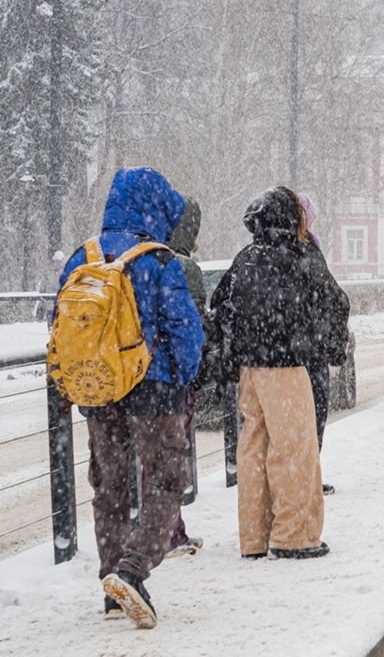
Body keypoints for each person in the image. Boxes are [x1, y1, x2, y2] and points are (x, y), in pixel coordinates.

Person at [56, 167, 204, 628]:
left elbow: (61, 326)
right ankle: (132, 571)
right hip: (154, 389)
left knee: (111, 487)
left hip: (98, 387)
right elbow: (186, 332)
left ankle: (110, 582)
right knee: (165, 480)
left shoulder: (84, 255)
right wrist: (187, 376)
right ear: (157, 208)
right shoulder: (158, 260)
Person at [206, 186, 348, 560]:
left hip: (250, 369)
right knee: (295, 450)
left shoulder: (245, 258)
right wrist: (331, 348)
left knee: (253, 449)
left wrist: (232, 355)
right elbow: (336, 302)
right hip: (287, 367)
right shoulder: (300, 257)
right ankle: (293, 535)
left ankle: (253, 537)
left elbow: (220, 306)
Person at [294, 191, 349, 496]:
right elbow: (336, 300)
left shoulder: (265, 250)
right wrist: (333, 345)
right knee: (312, 414)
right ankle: (306, 477)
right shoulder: (307, 250)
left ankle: (298, 477)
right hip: (310, 350)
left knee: (290, 421)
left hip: (283, 351)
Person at [161, 196, 206, 559]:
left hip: (136, 377)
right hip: (172, 379)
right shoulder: (184, 268)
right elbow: (195, 328)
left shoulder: (141, 256)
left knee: (147, 460)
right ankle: (169, 533)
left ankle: (147, 530)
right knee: (170, 459)